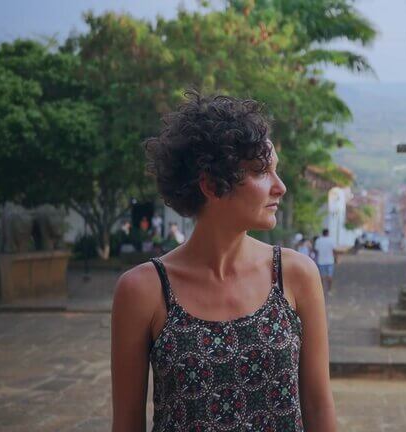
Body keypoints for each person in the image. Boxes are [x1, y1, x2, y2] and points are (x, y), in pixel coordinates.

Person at [111, 91, 336, 431]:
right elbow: (127, 425)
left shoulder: (295, 274)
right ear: (213, 185)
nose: (280, 187)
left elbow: (319, 410)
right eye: (262, 172)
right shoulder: (143, 290)